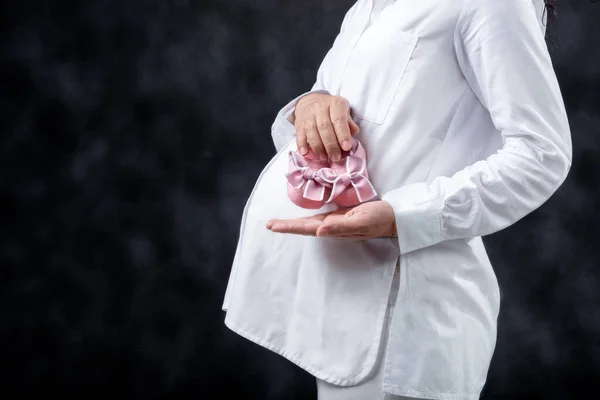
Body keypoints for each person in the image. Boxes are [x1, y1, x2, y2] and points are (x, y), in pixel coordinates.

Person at [222, 0, 571, 399]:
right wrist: (311, 105)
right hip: (341, 308)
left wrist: (400, 216)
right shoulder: (366, 8)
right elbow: (346, 115)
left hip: (404, 322)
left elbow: (542, 154)